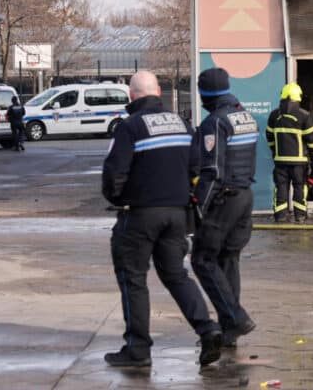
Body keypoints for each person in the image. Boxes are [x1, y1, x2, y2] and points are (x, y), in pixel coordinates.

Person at [101, 71, 221, 367]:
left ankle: (138, 349)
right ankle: (208, 329)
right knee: (176, 275)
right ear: (158, 91)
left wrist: (119, 200)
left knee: (133, 279)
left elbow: (114, 174)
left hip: (140, 215)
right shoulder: (182, 124)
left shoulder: (130, 127)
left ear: (132, 96)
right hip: (177, 214)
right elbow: (197, 166)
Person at [189, 67, 257, 349]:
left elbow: (212, 170)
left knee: (202, 260)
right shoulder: (245, 116)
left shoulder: (214, 123)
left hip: (223, 199)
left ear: (204, 93)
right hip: (244, 196)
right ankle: (230, 329)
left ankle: (236, 318)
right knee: (228, 259)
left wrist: (198, 209)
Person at [265, 83, 313, 222]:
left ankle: (280, 216)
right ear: (298, 97)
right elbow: (312, 143)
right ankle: (300, 215)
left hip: (280, 160)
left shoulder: (274, 115)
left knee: (281, 187)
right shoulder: (304, 116)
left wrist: (275, 151)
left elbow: (269, 137)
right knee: (300, 187)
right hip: (299, 162)